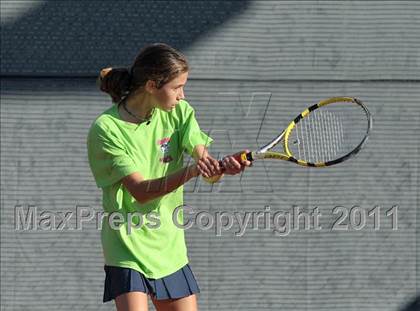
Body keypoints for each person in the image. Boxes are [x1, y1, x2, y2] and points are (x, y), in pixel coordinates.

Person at [87, 43, 250, 311]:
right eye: (176, 87)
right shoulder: (106, 129)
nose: (182, 95)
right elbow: (140, 191)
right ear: (152, 85)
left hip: (169, 245)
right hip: (126, 245)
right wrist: (193, 171)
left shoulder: (181, 113)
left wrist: (218, 167)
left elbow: (204, 166)